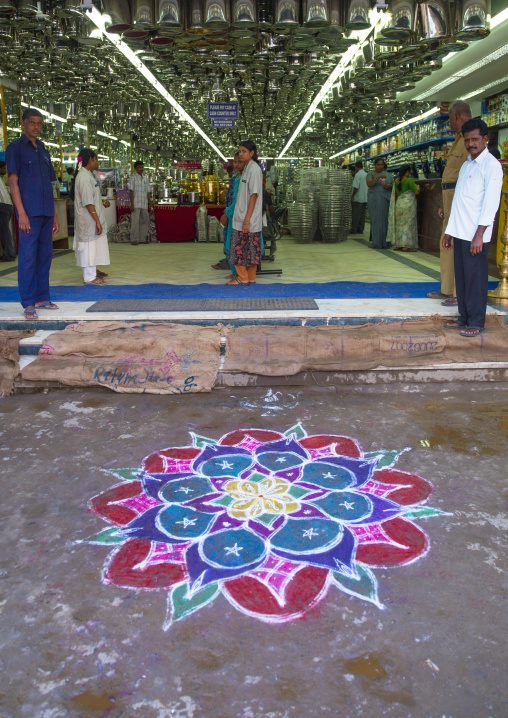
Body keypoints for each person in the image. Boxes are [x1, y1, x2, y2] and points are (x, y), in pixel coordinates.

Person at [442, 118, 503, 337]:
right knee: (463, 278)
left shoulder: (492, 166)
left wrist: (479, 235)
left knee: (476, 280)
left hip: (476, 235)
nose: (471, 144)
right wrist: (450, 231)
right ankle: (464, 318)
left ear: (485, 139)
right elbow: (459, 201)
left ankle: (476, 322)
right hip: (460, 232)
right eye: (467, 140)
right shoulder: (467, 164)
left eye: (475, 139)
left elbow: (490, 204)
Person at [6, 107, 59, 319]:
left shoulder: (44, 149)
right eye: (32, 123)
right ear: (23, 123)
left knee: (45, 256)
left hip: (46, 212)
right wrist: (22, 213)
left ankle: (41, 297)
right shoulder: (16, 148)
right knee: (28, 258)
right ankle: (28, 302)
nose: (36, 127)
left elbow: (50, 184)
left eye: (39, 124)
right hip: (29, 212)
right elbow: (12, 182)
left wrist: (54, 214)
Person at [428, 101, 472, 306]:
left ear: (456, 116)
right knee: (446, 243)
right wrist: (445, 204)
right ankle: (446, 289)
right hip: (450, 196)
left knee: (457, 244)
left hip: (459, 196)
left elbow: (468, 173)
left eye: (449, 119)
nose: (449, 124)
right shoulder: (458, 139)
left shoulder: (471, 138)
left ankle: (457, 293)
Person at [72, 148, 110, 286]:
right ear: (91, 160)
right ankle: (89, 278)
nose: (98, 162)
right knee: (88, 248)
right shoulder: (83, 177)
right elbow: (88, 202)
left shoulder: (88, 176)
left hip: (90, 220)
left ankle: (91, 275)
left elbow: (92, 199)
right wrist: (97, 221)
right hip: (88, 221)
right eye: (97, 159)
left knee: (92, 247)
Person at [228, 139, 263, 286]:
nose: (241, 154)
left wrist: (247, 220)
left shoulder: (254, 169)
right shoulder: (247, 169)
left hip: (247, 219)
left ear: (252, 153)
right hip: (244, 217)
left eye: (244, 151)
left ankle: (243, 277)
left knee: (239, 248)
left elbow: (253, 196)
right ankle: (249, 277)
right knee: (249, 249)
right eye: (240, 151)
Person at [213, 153, 243, 272]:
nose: (236, 164)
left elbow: (238, 200)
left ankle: (239, 274)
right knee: (231, 243)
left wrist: (227, 213)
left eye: (239, 162)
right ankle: (235, 272)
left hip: (237, 215)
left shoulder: (244, 179)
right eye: (234, 162)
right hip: (231, 214)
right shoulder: (235, 178)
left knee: (237, 245)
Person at [387, 165, 420, 252]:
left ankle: (398, 245)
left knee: (399, 225)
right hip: (408, 205)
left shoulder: (396, 181)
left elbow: (398, 194)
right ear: (407, 172)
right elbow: (416, 192)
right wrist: (419, 188)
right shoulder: (409, 180)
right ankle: (407, 245)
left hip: (399, 204)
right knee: (408, 225)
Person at [366, 158, 394, 249]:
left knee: (385, 221)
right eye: (378, 165)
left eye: (382, 165)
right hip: (374, 199)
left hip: (385, 199)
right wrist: (378, 177)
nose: (380, 166)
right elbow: (369, 184)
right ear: (375, 165)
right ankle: (377, 242)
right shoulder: (371, 174)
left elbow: (393, 184)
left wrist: (389, 186)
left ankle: (385, 242)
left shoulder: (387, 175)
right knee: (376, 220)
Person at [128, 160, 152, 245]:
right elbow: (131, 191)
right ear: (135, 169)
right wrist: (132, 204)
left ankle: (142, 238)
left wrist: (150, 202)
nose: (141, 169)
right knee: (135, 222)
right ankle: (134, 239)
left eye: (142, 167)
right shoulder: (132, 178)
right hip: (136, 203)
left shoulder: (145, 179)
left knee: (145, 221)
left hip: (144, 204)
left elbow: (148, 192)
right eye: (139, 167)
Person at [0, 161, 15, 262]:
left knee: (4, 231)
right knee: (4, 231)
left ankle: (9, 254)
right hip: (6, 205)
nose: (5, 171)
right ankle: (8, 253)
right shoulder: (1, 179)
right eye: (4, 169)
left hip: (2, 206)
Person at [350, 161, 368, 234]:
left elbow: (356, 187)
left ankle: (354, 229)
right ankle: (360, 230)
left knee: (355, 215)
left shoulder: (358, 175)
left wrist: (352, 196)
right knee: (362, 215)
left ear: (356, 167)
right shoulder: (366, 174)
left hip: (358, 198)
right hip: (365, 198)